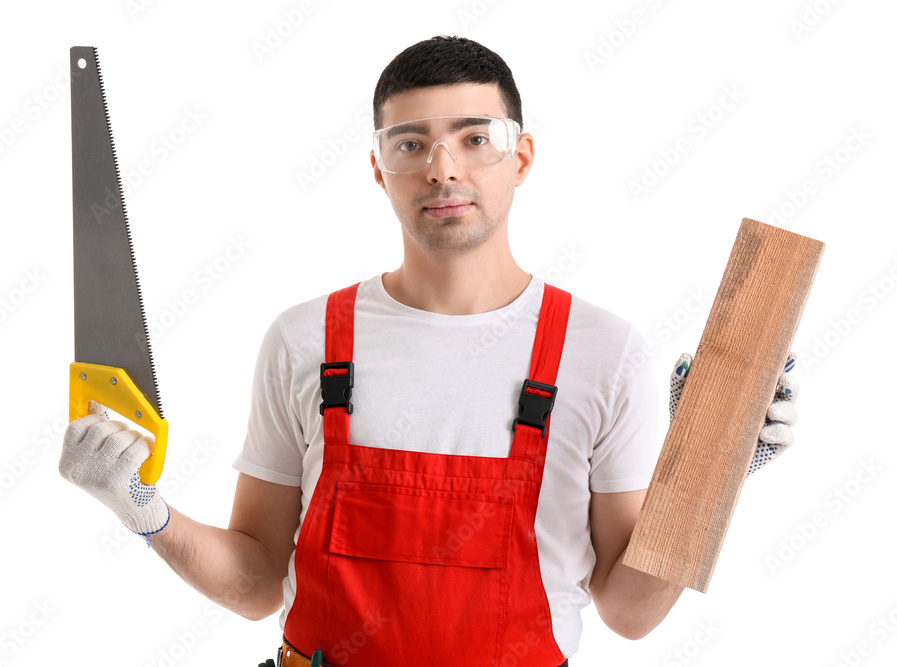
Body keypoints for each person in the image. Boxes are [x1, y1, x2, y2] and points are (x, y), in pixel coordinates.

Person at [59, 35, 799, 667]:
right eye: (410, 143)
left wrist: (712, 475)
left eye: (477, 138)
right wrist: (141, 507)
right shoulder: (305, 340)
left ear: (524, 156)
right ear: (379, 167)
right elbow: (257, 581)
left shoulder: (603, 351)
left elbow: (630, 612)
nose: (444, 169)